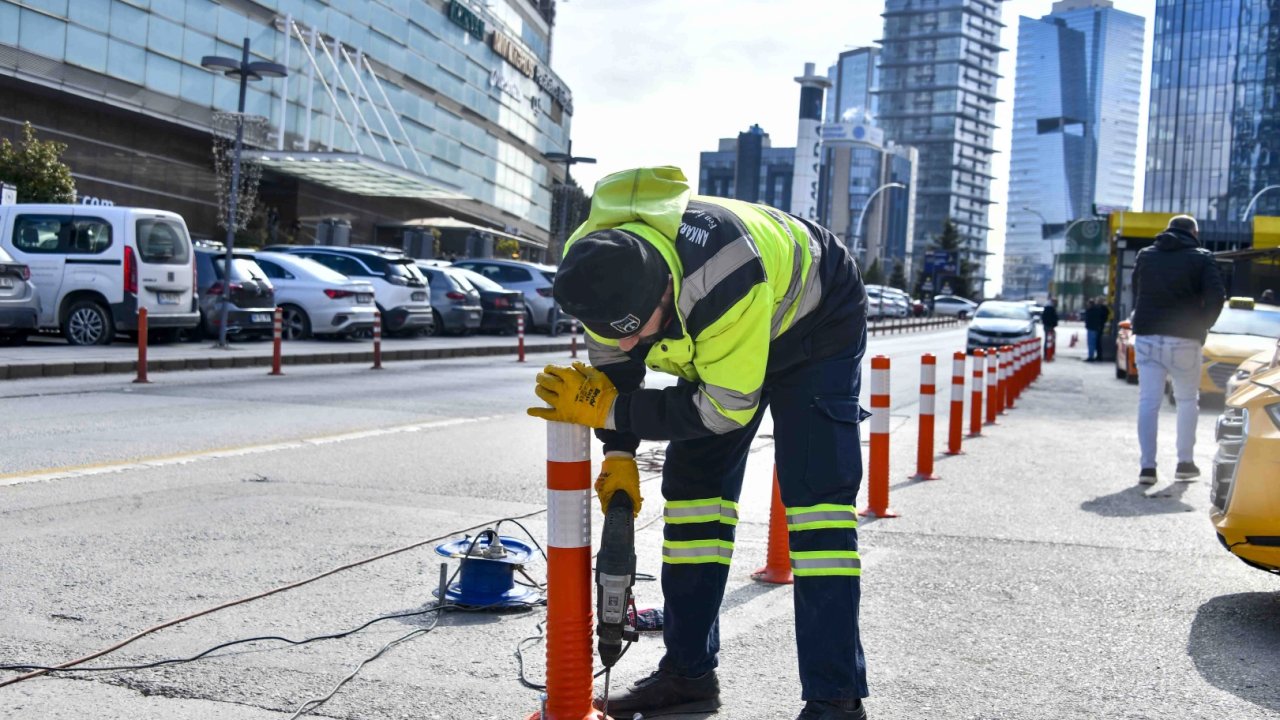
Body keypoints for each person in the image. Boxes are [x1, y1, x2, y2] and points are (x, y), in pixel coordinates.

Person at [527, 167, 870, 720]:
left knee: (817, 508)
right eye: (617, 330)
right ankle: (687, 677)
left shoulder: (720, 275)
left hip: (813, 323)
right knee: (692, 499)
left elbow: (722, 408)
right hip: (722, 330)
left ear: (667, 286)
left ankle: (835, 700)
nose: (631, 342)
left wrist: (610, 409)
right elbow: (615, 370)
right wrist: (618, 453)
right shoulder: (594, 268)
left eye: (640, 329)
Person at [1130, 214, 1225, 484]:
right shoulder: (1202, 256)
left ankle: (1147, 468)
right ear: (1194, 232)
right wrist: (1201, 326)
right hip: (1185, 338)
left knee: (1148, 402)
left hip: (1147, 335)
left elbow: (1136, 289)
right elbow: (1218, 296)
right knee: (1186, 401)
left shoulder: (1146, 255)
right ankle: (1185, 463)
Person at [1083, 297, 1110, 361]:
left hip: (1093, 328)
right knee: (1096, 343)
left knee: (1092, 343)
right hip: (1097, 328)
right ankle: (1096, 356)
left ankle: (1092, 357)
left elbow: (1089, 319)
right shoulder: (1098, 309)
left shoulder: (1095, 310)